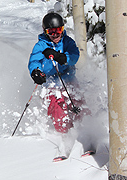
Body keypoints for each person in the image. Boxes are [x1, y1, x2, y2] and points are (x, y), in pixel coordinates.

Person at [28, 12, 91, 161]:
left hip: (68, 79)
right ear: (45, 31)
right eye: (52, 32)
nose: (56, 35)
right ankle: (65, 137)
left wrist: (63, 58)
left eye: (59, 30)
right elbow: (34, 60)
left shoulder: (67, 41)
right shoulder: (41, 45)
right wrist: (36, 72)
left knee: (77, 102)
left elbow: (74, 56)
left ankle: (87, 132)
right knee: (57, 108)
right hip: (51, 82)